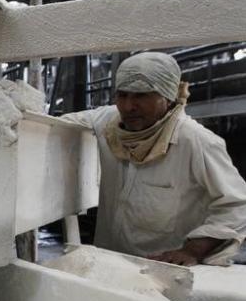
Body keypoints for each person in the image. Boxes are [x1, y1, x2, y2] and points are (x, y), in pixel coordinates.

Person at [62, 52, 246, 266]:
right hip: (109, 266)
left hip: (163, 271)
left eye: (141, 95)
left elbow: (238, 204)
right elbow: (53, 123)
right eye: (122, 95)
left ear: (167, 97)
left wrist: (192, 251)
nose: (129, 106)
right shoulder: (107, 121)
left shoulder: (196, 141)